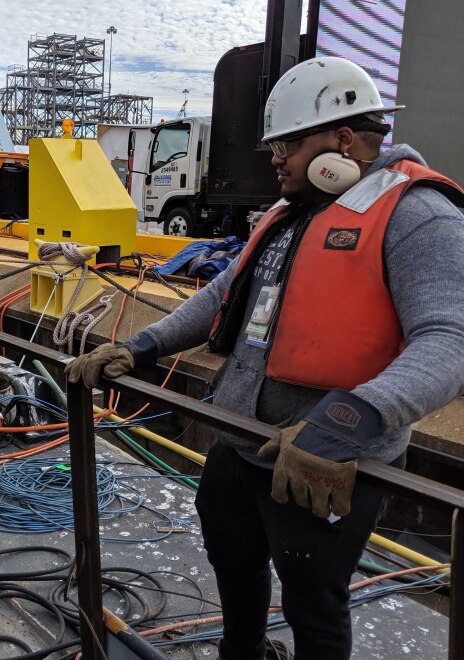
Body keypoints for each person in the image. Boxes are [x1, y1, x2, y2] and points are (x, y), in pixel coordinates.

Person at [66, 56, 464, 660]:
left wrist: (349, 420)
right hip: (243, 436)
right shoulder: (287, 215)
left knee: (314, 600)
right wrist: (138, 346)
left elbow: (449, 339)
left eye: (288, 143)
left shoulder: (418, 215)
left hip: (326, 459)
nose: (274, 157)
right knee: (232, 559)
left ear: (343, 140)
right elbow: (222, 294)